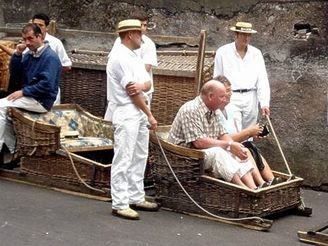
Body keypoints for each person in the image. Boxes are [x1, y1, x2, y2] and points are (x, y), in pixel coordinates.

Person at [104, 19, 158, 220]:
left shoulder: (134, 56)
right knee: (124, 156)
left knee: (140, 154)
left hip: (138, 109)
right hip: (127, 110)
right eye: (139, 33)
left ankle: (136, 195)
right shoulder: (119, 57)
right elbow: (132, 92)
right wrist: (150, 114)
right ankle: (119, 202)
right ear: (130, 35)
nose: (142, 36)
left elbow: (147, 82)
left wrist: (143, 86)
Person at [168, 80, 265, 190]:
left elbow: (222, 134)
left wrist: (235, 147)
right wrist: (229, 145)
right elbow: (198, 142)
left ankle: (254, 187)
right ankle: (244, 189)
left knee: (238, 150)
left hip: (201, 153)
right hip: (184, 156)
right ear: (210, 96)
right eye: (221, 97)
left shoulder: (214, 110)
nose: (224, 99)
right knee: (219, 152)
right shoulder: (190, 109)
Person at [0, 23, 62, 166]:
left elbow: (47, 85)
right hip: (31, 96)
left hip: (41, 100)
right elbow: (15, 74)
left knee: (0, 106)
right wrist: (17, 54)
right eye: (24, 39)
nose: (27, 43)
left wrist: (24, 92)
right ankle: (13, 150)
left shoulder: (50, 57)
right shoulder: (30, 54)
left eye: (30, 39)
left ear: (39, 36)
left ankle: (8, 149)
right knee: (6, 114)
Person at [214, 75, 279, 185]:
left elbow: (236, 134)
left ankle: (272, 180)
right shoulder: (214, 112)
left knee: (251, 147)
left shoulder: (231, 109)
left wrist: (253, 133)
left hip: (234, 145)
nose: (230, 94)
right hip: (223, 148)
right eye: (227, 91)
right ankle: (261, 183)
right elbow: (225, 140)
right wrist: (249, 132)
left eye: (231, 90)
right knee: (245, 150)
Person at [213, 21, 270, 131]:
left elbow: (262, 79)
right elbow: (217, 78)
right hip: (231, 97)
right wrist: (220, 99)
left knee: (250, 132)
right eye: (243, 35)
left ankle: (248, 148)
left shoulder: (256, 53)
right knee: (234, 130)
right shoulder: (223, 52)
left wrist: (264, 103)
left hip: (251, 97)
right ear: (236, 35)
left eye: (248, 35)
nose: (246, 38)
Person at [109, 13, 157, 102]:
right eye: (140, 25)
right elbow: (113, 62)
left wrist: (137, 82)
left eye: (145, 25)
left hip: (142, 87)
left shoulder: (149, 44)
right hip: (121, 90)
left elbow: (147, 66)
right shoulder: (119, 42)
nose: (142, 28)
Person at [30, 13, 72, 104]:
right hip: (31, 90)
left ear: (47, 27)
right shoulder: (28, 42)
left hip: (49, 91)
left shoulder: (56, 43)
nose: (37, 28)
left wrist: (51, 72)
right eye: (35, 25)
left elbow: (67, 65)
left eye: (40, 25)